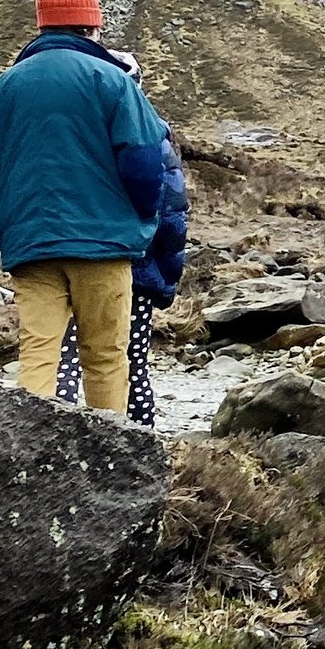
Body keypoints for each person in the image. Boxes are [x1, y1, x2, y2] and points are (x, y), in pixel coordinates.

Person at [0, 0, 167, 413]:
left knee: (38, 354)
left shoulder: (3, 87)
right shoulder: (112, 81)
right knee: (107, 356)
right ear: (91, 27)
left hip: (32, 245)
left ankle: (32, 459)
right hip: (104, 244)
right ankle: (111, 454)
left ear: (43, 27)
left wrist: (12, 221)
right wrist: (138, 219)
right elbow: (145, 163)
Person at [56, 70, 188, 429]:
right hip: (136, 270)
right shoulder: (154, 138)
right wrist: (167, 279)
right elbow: (172, 213)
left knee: (66, 357)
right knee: (130, 364)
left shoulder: (71, 133)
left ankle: (55, 440)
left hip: (70, 257)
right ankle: (137, 447)